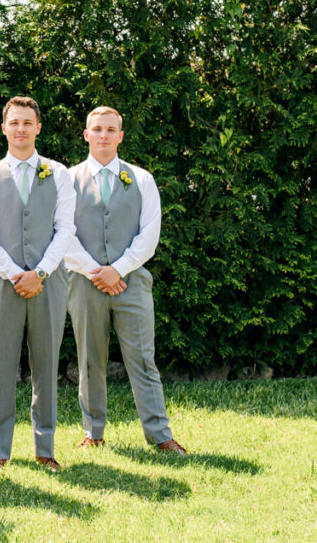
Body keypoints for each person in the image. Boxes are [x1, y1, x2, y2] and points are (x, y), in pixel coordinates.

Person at [64, 106, 187, 455]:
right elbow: (62, 234)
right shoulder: (67, 181)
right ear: (86, 134)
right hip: (84, 284)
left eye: (110, 129)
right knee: (90, 359)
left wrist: (118, 269)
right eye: (97, 129)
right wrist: (95, 271)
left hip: (132, 282)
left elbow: (149, 233)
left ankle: (160, 435)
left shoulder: (142, 179)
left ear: (120, 135)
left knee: (143, 360)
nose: (103, 135)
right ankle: (93, 432)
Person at [0, 96, 76, 474]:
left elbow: (66, 227)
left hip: (49, 283)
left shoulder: (59, 173)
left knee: (46, 365)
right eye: (13, 122)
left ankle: (45, 448)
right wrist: (14, 273)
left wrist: (42, 272)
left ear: (38, 127)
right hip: (2, 284)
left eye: (27, 122)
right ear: (4, 128)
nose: (20, 128)